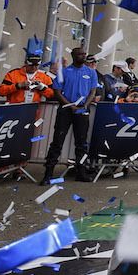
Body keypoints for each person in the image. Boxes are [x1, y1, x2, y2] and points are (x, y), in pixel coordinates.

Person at [44, 47, 100, 183]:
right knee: (57, 141)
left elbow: (93, 90)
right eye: (80, 54)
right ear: (73, 56)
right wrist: (70, 106)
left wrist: (86, 104)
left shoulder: (91, 72)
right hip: (66, 110)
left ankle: (81, 172)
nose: (83, 56)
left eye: (84, 54)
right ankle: (48, 174)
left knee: (81, 143)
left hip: (82, 110)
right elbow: (57, 91)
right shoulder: (64, 72)